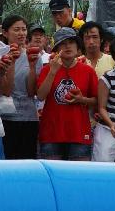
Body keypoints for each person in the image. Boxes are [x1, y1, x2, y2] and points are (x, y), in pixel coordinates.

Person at [36, 28, 98, 161]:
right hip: (51, 132)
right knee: (51, 177)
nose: (68, 46)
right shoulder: (47, 69)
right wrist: (53, 72)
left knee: (78, 177)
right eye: (63, 43)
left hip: (79, 132)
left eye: (71, 42)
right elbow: (40, 96)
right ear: (57, 49)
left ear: (77, 47)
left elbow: (97, 101)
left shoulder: (88, 71)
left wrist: (82, 99)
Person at [0, 15, 43, 159]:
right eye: (16, 30)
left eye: (24, 29)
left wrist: (33, 67)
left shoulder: (34, 55)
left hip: (29, 117)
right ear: (5, 33)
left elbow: (31, 91)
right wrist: (12, 62)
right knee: (8, 160)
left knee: (28, 160)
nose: (21, 33)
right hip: (6, 117)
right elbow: (5, 91)